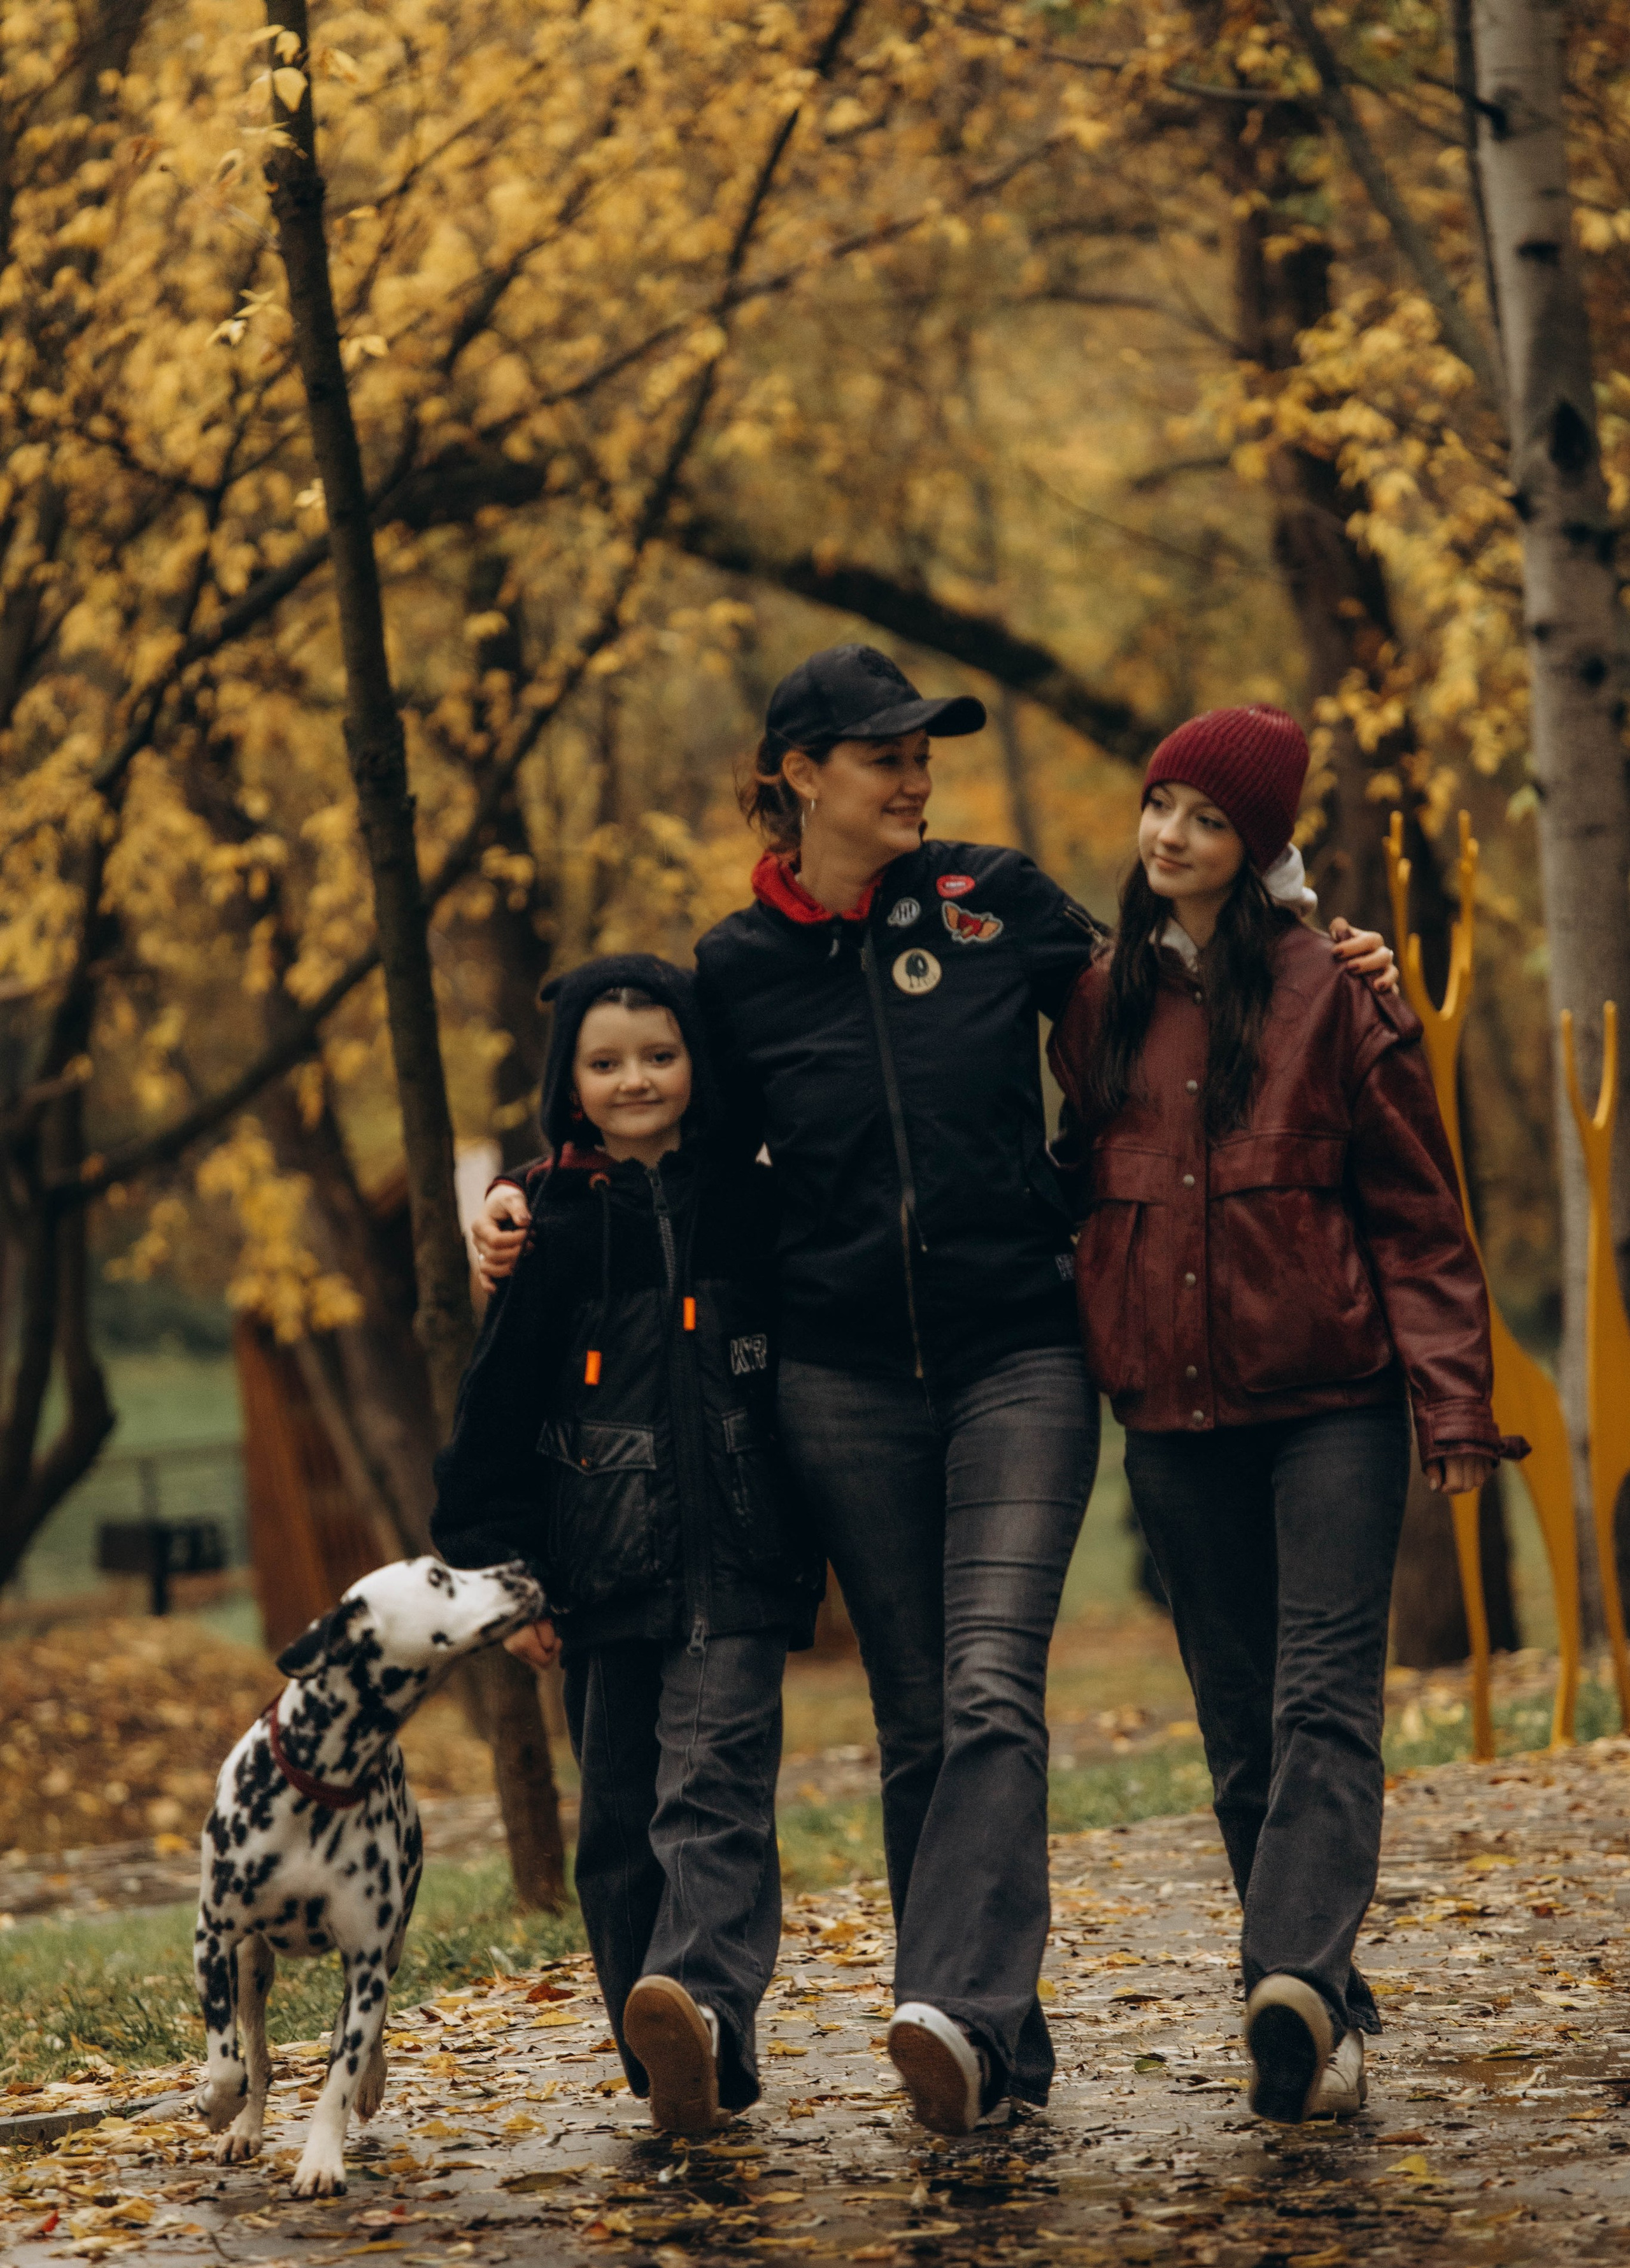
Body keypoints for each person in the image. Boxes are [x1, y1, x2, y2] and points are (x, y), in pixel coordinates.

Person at [472, 645, 1396, 2139]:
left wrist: (1317, 959)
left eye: (925, 753)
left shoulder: (993, 899)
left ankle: (956, 2002)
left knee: (985, 1688)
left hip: (1016, 1351)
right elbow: (664, 1141)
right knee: (916, 1720)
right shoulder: (733, 969)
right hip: (837, 1379)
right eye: (884, 754)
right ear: (800, 776)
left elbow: (1166, 993)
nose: (916, 777)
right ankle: (991, 2049)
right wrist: (529, 1197)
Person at [1048, 705, 1524, 2126]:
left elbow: (1418, 1220)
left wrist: (1452, 1405)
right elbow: (1075, 1183)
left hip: (1332, 1403)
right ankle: (1321, 2016)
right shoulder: (1099, 1001)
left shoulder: (1338, 991)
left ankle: (1291, 1980)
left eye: (1207, 819)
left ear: (1256, 845)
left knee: (1322, 1699)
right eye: (1160, 806)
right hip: (1172, 1417)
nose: (1170, 835)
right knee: (1239, 1726)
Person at [432, 955, 824, 2138]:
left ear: (698, 1063)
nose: (636, 1079)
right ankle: (662, 2051)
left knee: (715, 1795)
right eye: (606, 1063)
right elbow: (495, 1414)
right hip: (597, 1572)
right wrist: (505, 1580)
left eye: (660, 1055)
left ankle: (705, 2009)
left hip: (740, 1560)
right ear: (571, 1082)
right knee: (618, 1826)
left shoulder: (750, 1205)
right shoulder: (546, 1227)